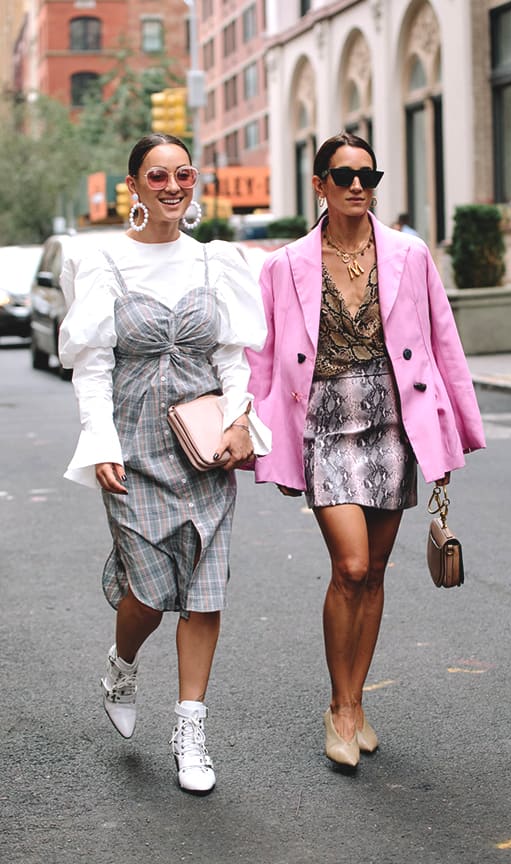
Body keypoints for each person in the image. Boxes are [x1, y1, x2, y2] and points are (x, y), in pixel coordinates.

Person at [246, 132, 485, 769]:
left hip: (393, 422)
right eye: (343, 175)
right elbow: (263, 359)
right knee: (350, 566)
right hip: (323, 424)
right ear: (319, 184)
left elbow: (443, 339)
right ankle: (340, 706)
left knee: (376, 572)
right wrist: (254, 431)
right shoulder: (283, 265)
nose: (358, 185)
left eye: (368, 175)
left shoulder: (409, 253)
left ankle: (353, 703)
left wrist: (458, 423)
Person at [58, 133, 271, 794]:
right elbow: (91, 368)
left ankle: (190, 728)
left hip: (204, 443)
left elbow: (234, 354)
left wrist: (240, 420)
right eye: (158, 176)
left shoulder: (217, 260)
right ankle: (123, 664)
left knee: (205, 587)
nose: (173, 186)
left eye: (184, 174)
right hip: (133, 444)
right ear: (135, 186)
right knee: (149, 590)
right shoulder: (101, 261)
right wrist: (99, 444)